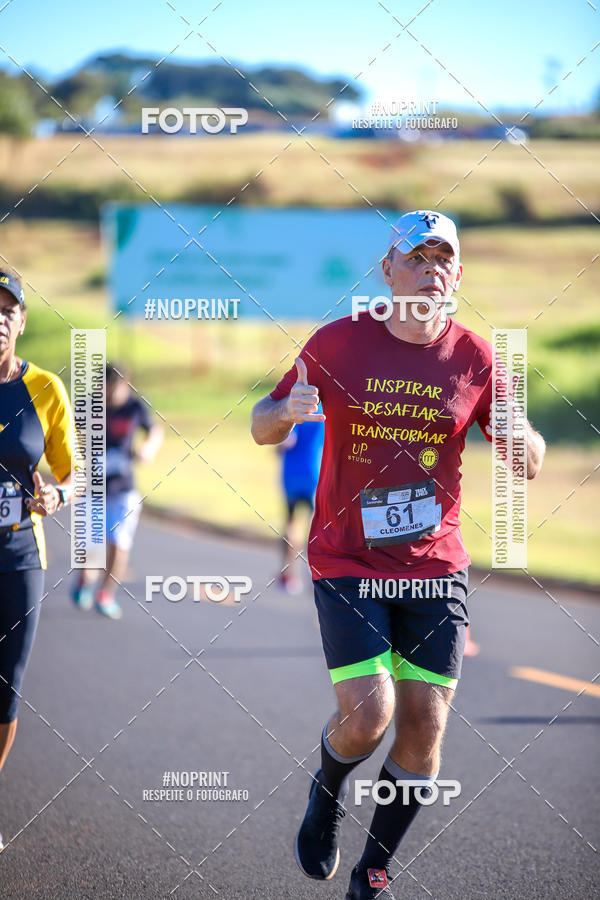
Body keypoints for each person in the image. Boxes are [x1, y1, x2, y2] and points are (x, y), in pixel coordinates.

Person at [251, 210, 545, 899]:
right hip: (348, 558)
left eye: (443, 259)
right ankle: (326, 796)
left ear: (459, 275)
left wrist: (518, 438)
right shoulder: (338, 342)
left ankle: (373, 868)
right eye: (416, 258)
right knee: (368, 715)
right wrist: (285, 413)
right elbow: (263, 424)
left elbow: (528, 459)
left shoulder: (476, 357)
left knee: (425, 728)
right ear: (387, 271)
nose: (430, 270)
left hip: (435, 564)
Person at [0, 269, 74, 851]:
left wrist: (58, 495)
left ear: (22, 321)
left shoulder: (45, 388)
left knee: (5, 689)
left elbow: (79, 473)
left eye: (8, 309)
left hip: (20, 554)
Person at [72, 363, 162, 620]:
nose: (110, 394)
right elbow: (67, 435)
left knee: (119, 543)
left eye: (116, 388)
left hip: (124, 488)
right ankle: (84, 580)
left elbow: (154, 430)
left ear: (126, 385)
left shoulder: (134, 407)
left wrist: (148, 449)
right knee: (90, 546)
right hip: (93, 489)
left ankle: (106, 593)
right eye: (105, 387)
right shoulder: (87, 407)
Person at [276, 417, 324, 594]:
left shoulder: (296, 407)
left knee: (291, 523)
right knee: (316, 526)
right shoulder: (324, 410)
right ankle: (317, 575)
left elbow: (288, 441)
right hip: (314, 470)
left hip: (292, 473)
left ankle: (288, 574)